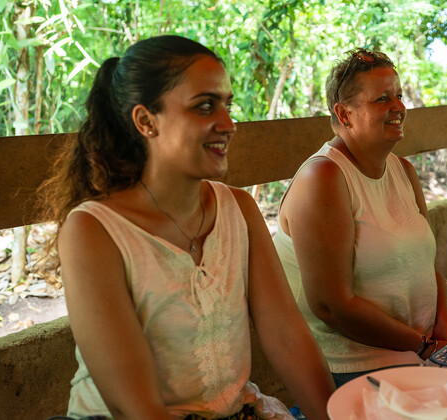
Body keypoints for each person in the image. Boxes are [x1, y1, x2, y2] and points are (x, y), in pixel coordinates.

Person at [37, 35, 334, 420]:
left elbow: (288, 338)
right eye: (205, 106)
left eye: (227, 105)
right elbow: (137, 407)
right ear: (146, 121)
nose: (228, 124)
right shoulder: (95, 231)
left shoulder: (238, 209)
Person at [273, 48, 447, 388]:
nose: (399, 107)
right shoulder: (324, 178)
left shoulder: (403, 170)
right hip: (357, 361)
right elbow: (332, 306)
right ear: (344, 114)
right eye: (382, 99)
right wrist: (422, 345)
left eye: (399, 96)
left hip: (419, 350)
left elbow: (428, 265)